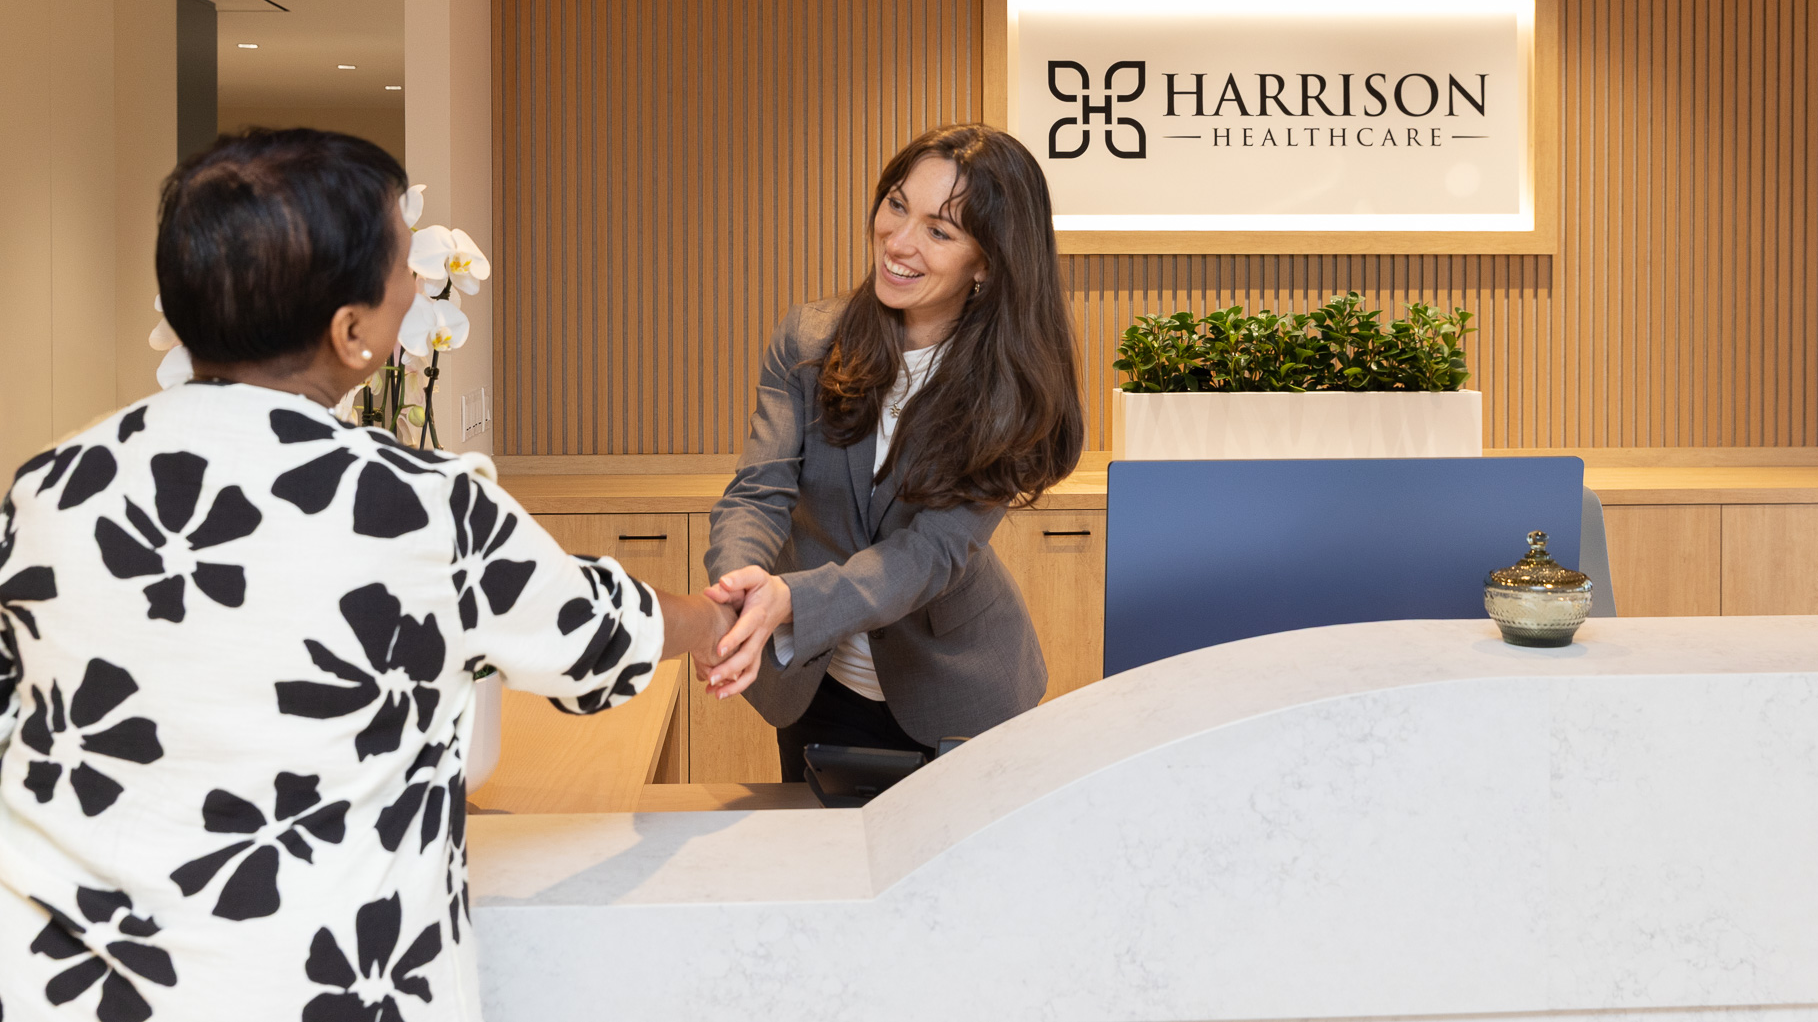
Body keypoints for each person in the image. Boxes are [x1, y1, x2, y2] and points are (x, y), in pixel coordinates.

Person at [0, 129, 731, 1019]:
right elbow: (603, 629)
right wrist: (715, 618)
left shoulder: (47, 488)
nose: (417, 286)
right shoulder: (419, 507)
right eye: (400, 268)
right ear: (351, 333)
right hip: (318, 991)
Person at [702, 124, 1084, 780]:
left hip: (959, 693)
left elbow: (931, 551)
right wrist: (735, 596)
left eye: (939, 231)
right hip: (818, 686)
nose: (899, 241)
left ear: (987, 262)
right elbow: (758, 492)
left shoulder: (1009, 388)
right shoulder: (808, 341)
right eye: (897, 204)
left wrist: (789, 600)